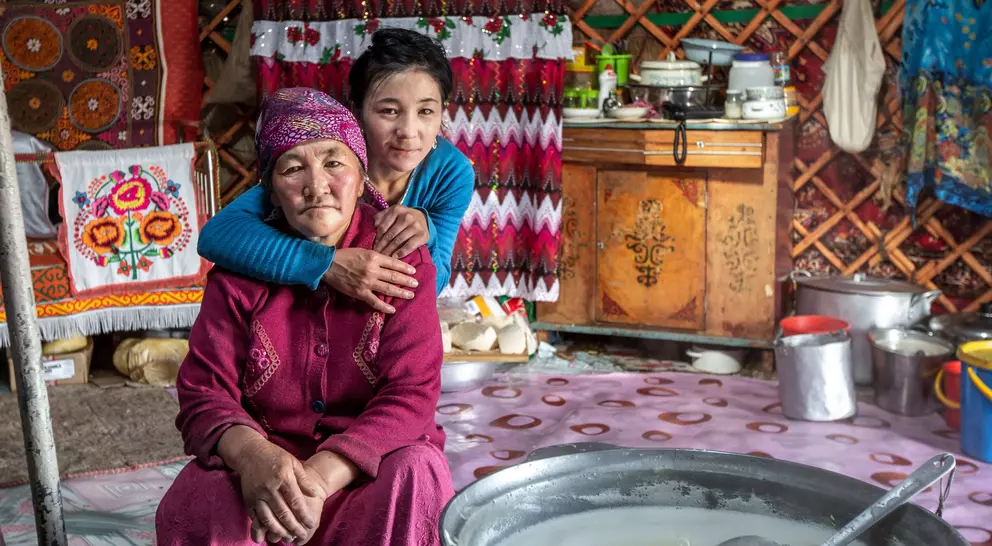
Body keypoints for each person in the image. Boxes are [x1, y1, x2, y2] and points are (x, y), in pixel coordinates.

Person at [156, 88, 452, 546]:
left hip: (362, 477)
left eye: (334, 162)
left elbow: (412, 393)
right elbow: (203, 394)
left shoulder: (399, 257)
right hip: (266, 483)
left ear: (360, 174)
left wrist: (316, 481)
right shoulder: (242, 269)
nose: (317, 185)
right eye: (293, 168)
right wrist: (255, 458)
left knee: (416, 469)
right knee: (198, 493)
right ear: (270, 190)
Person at [198, 28, 475, 314]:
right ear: (357, 112)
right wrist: (324, 264)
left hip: (381, 317)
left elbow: (435, 284)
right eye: (389, 111)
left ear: (443, 111)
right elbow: (216, 237)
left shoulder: (451, 174)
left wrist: (427, 232)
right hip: (300, 309)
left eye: (426, 111)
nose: (408, 131)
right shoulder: (327, 160)